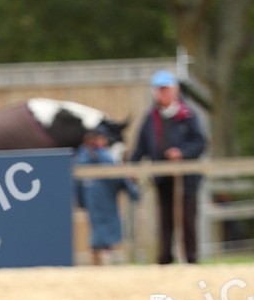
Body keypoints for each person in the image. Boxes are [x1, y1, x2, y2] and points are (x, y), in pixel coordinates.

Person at [130, 70, 206, 264]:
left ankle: (191, 259)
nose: (163, 93)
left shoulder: (187, 115)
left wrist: (182, 152)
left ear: (175, 90)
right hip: (162, 178)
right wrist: (133, 166)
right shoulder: (151, 117)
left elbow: (200, 143)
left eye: (166, 89)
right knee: (165, 220)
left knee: (187, 219)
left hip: (186, 178)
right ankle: (165, 260)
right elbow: (141, 146)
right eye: (160, 89)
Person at [75, 125, 138, 264]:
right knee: (108, 229)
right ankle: (105, 257)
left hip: (91, 200)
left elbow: (76, 185)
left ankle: (97, 258)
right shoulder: (105, 157)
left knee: (96, 227)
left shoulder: (81, 157)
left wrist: (80, 201)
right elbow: (119, 177)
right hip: (106, 199)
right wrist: (133, 191)